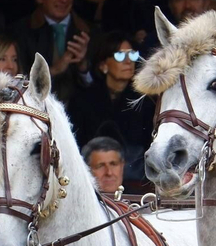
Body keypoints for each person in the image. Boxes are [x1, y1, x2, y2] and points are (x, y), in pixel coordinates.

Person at [66, 31, 155, 175]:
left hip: (135, 180)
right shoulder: (82, 100)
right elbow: (73, 145)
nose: (128, 61)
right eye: (120, 55)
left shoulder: (144, 102)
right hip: (90, 177)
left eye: (132, 55)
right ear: (103, 65)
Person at [17, 0, 92, 102]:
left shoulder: (89, 32)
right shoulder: (19, 33)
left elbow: (100, 90)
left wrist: (83, 67)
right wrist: (53, 70)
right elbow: (14, 84)